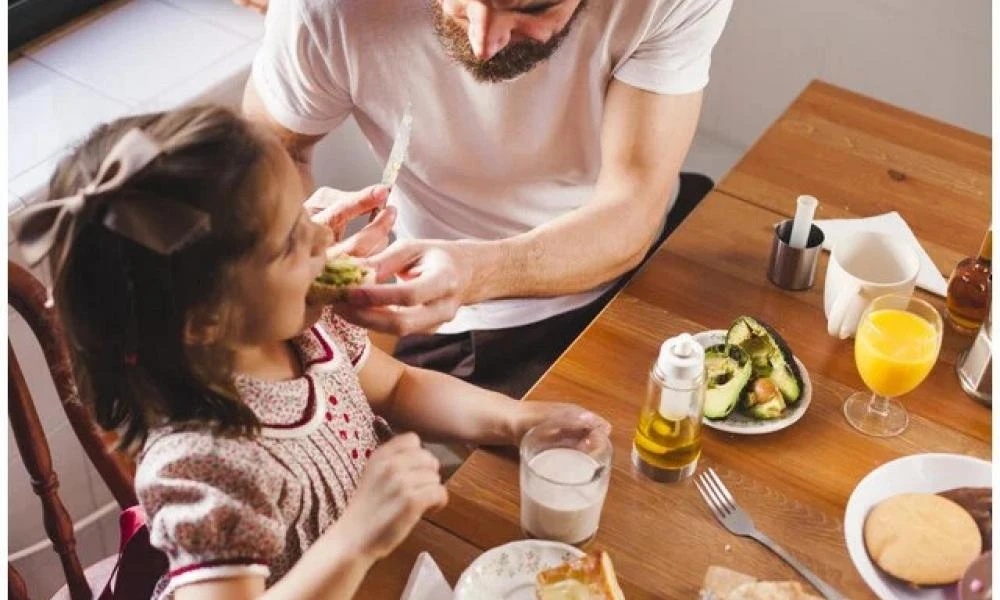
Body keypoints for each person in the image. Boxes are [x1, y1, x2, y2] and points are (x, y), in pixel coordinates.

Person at [11, 106, 606, 600]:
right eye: (291, 241)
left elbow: (401, 387)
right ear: (206, 321)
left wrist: (518, 419)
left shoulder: (303, 334)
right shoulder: (203, 465)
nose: (324, 234)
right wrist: (357, 537)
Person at [243, 0, 732, 398]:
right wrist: (296, 239)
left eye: (532, 7)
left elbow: (632, 206)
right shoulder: (326, 10)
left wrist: (477, 271)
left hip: (650, 260)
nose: (483, 42)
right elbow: (267, 153)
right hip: (474, 325)